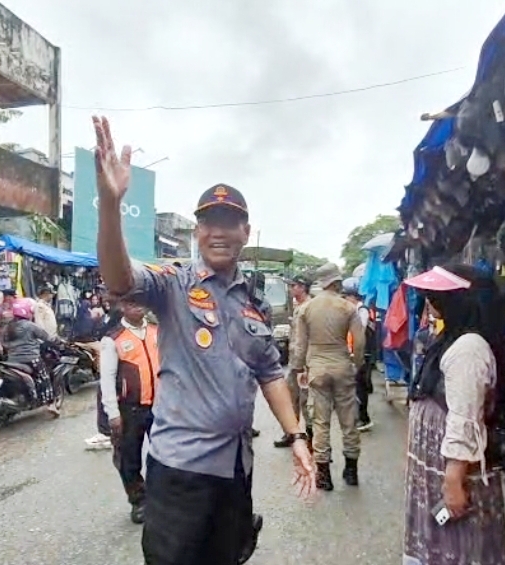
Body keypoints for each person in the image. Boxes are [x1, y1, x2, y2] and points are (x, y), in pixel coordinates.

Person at [91, 116, 315, 565]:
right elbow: (119, 277)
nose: (219, 231)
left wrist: (296, 435)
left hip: (235, 468)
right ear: (196, 231)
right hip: (181, 471)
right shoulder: (174, 283)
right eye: (209, 221)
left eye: (230, 222)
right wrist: (110, 206)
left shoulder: (252, 303)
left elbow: (270, 372)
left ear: (245, 232)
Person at [402, 263, 505, 565]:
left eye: (436, 298)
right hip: (438, 466)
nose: (429, 304)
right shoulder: (451, 339)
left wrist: (453, 479)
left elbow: (466, 416)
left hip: (457, 472)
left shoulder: (468, 349)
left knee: (461, 545)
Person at [291, 262, 365, 490]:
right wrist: (357, 365)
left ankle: (324, 475)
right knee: (348, 420)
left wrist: (299, 369)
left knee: (320, 422)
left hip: (317, 368)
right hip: (342, 366)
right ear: (337, 282)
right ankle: (351, 471)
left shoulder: (306, 309)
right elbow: (359, 342)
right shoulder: (348, 308)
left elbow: (300, 345)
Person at [99, 299, 159, 524]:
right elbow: (107, 379)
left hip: (160, 406)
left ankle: (161, 496)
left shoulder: (155, 330)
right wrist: (112, 413)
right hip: (130, 408)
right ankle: (138, 500)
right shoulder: (113, 339)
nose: (138, 307)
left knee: (165, 454)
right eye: (132, 304)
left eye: (140, 302)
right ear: (123, 307)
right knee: (129, 458)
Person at [4, 298, 61, 416]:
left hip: (12, 360)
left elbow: (4, 342)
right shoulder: (30, 326)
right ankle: (51, 404)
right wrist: (56, 340)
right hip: (31, 359)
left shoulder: (8, 327)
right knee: (44, 378)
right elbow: (46, 337)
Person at [275, 275, 313, 449]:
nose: (290, 289)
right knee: (291, 397)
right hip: (295, 360)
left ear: (302, 287)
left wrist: (300, 364)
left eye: (293, 286)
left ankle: (311, 434)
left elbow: (303, 339)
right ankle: (292, 432)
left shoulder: (308, 307)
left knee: (306, 400)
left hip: (303, 361)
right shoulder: (298, 306)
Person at [86, 295, 124, 450]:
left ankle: (106, 432)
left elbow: (106, 332)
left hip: (120, 358)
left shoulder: (118, 314)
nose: (106, 302)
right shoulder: (111, 313)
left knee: (106, 391)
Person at [342, 277, 376, 432]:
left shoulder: (362, 310)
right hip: (355, 352)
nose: (345, 299)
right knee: (356, 385)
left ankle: (364, 418)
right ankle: (357, 416)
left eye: (346, 296)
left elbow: (359, 332)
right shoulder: (354, 310)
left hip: (363, 353)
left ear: (353, 296)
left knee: (361, 386)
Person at [0, 289, 16, 358]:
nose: (14, 299)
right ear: (7, 297)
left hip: (13, 342)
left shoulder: (14, 308)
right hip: (2, 342)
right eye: (13, 297)